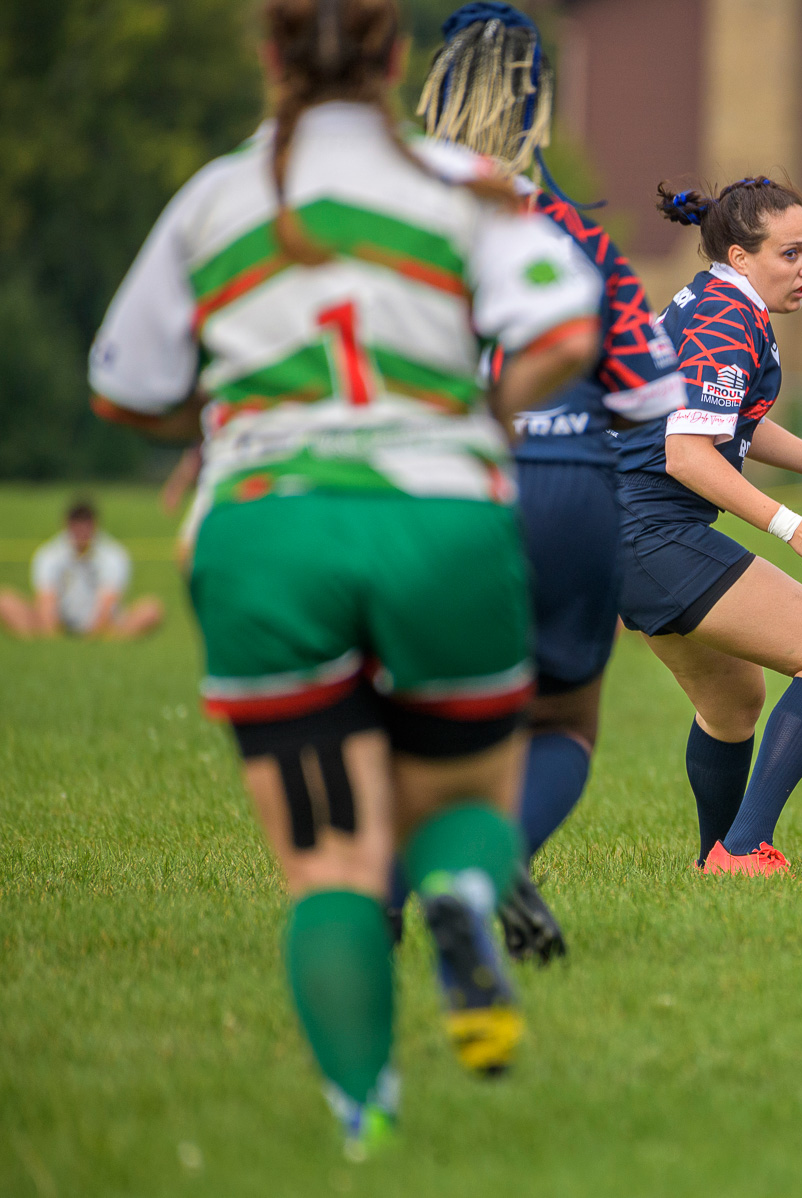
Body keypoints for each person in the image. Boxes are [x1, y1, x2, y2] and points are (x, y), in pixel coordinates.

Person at [88, 0, 602, 1155]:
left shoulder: (214, 197)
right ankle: (466, 897)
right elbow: (567, 332)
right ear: (390, 58)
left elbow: (120, 384)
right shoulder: (461, 184)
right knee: (463, 801)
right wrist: (472, 417)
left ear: (269, 55)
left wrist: (233, 414)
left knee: (326, 860)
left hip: (270, 533)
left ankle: (364, 1121)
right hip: (440, 518)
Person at [413, 1, 685, 963]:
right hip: (567, 477)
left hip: (423, 479)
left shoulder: (386, 211)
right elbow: (657, 397)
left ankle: (377, 894)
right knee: (564, 716)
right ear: (537, 99)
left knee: (397, 707)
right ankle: (482, 871)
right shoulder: (573, 230)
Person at [621, 177, 802, 876]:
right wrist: (792, 525)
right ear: (740, 255)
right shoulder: (728, 317)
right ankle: (744, 848)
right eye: (791, 253)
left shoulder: (718, 300)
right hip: (649, 529)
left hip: (627, 531)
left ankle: (717, 863)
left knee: (732, 701)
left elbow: (739, 426)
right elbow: (688, 454)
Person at [0, 499, 163, 640]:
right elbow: (46, 601)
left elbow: (108, 603)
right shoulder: (50, 554)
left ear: (95, 525)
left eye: (86, 525)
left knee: (152, 609)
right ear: (67, 525)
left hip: (105, 627)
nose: (81, 532)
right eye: (77, 525)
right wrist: (52, 634)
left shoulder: (113, 554)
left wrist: (92, 636)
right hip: (60, 622)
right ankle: (39, 643)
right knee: (5, 600)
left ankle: (110, 642)